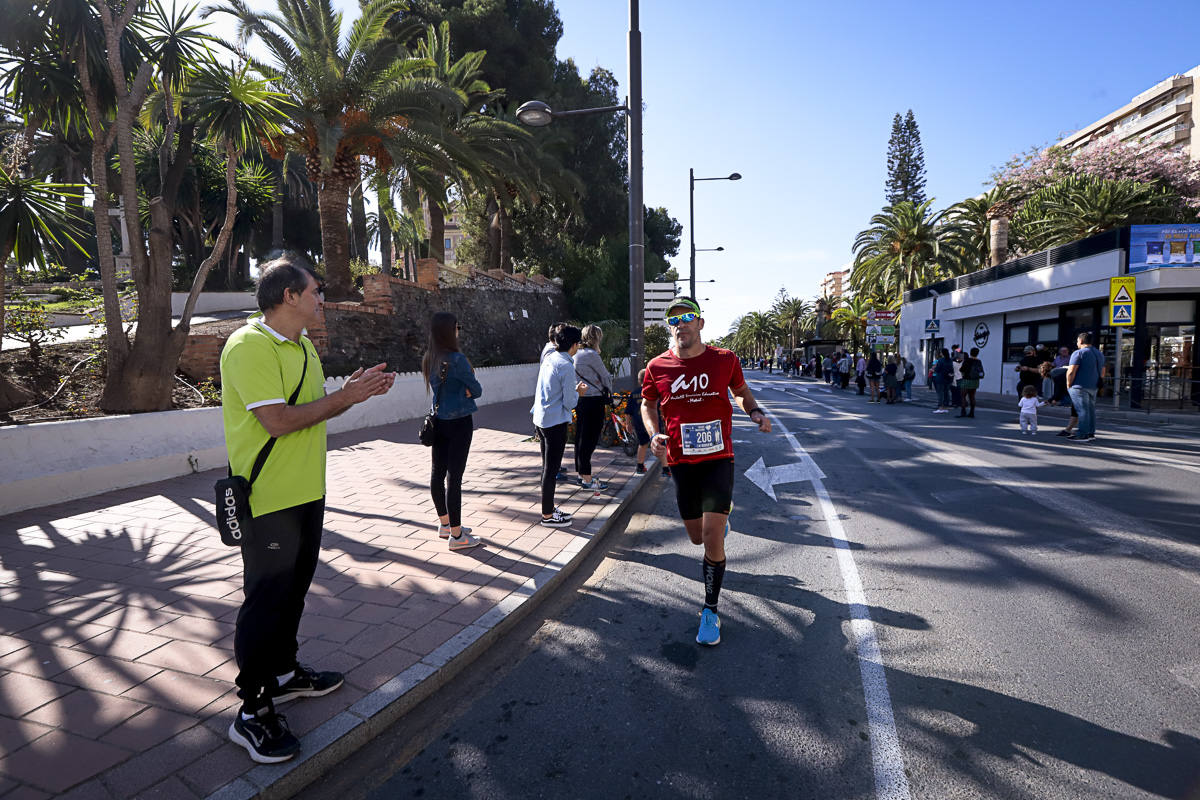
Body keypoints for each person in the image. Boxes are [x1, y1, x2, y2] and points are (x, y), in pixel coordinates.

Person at [220, 256, 396, 763]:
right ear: (289, 296)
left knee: (293, 591)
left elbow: (309, 411)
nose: (322, 298)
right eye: (316, 290)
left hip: (306, 493)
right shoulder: (249, 346)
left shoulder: (302, 348)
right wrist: (345, 399)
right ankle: (251, 711)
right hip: (268, 499)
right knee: (265, 599)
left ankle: (284, 673)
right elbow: (276, 421)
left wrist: (348, 396)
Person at [642, 297, 771, 647]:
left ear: (700, 323)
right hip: (681, 463)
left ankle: (710, 611)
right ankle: (715, 527)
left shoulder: (725, 360)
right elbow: (648, 403)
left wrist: (755, 412)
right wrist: (655, 433)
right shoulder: (658, 366)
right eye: (674, 319)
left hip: (719, 459)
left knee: (712, 537)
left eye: (687, 317)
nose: (680, 324)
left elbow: (741, 391)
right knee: (697, 538)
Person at [423, 311, 483, 551]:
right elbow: (476, 389)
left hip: (438, 421)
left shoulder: (429, 358)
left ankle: (445, 524)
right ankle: (457, 537)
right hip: (459, 422)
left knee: (438, 474)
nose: (459, 330)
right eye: (458, 327)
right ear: (451, 331)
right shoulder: (457, 360)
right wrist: (467, 390)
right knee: (454, 478)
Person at [532, 325, 588, 525]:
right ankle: (547, 514)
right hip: (555, 422)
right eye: (579, 344)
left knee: (547, 467)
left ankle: (548, 508)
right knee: (551, 469)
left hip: (542, 418)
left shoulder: (550, 358)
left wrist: (572, 390)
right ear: (574, 345)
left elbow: (551, 389)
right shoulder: (565, 365)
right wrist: (578, 393)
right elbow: (570, 402)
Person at [573, 324, 613, 493]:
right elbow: (605, 376)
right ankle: (587, 478)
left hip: (581, 399)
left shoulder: (576, 354)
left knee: (581, 437)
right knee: (590, 438)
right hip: (594, 400)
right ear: (596, 337)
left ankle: (582, 474)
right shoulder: (592, 355)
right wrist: (609, 388)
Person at [1066, 332, 1104, 441]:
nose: (1077, 343)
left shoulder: (1078, 353)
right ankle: (1090, 433)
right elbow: (1103, 370)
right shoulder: (1099, 353)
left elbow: (1071, 371)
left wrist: (1069, 384)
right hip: (1094, 386)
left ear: (1081, 341)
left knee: (1082, 411)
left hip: (1079, 386)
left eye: (1077, 341)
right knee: (1090, 410)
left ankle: (1082, 434)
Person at [626, 369, 652, 475]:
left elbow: (628, 411)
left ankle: (640, 466)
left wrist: (628, 424)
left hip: (638, 422)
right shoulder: (652, 391)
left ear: (639, 380)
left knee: (642, 443)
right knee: (660, 444)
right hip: (651, 422)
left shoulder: (634, 393)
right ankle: (666, 467)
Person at [958, 347, 982, 417]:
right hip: (975, 380)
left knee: (963, 396)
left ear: (971, 352)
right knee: (972, 396)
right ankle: (972, 412)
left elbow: (962, 369)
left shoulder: (967, 360)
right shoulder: (979, 361)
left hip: (966, 379)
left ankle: (963, 412)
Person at [933, 348, 954, 413]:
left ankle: (940, 407)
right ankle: (945, 406)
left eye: (941, 352)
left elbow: (937, 369)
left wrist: (934, 369)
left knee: (940, 393)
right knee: (946, 392)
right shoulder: (950, 360)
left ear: (942, 353)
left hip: (941, 378)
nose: (940, 353)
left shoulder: (941, 360)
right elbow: (951, 369)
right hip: (948, 378)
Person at [949, 345, 964, 409]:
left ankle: (955, 403)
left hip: (955, 378)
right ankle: (959, 403)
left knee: (954, 392)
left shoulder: (953, 362)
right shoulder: (961, 361)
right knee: (959, 391)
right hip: (960, 377)